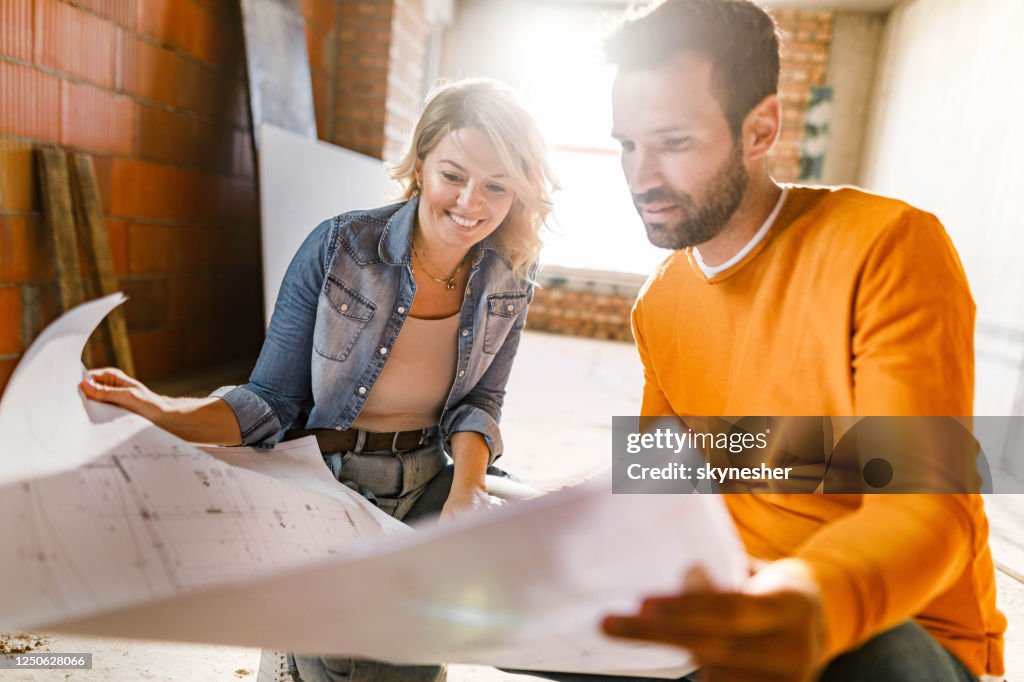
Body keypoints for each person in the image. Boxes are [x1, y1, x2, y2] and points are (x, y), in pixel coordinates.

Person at [564, 1, 1003, 681]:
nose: (641, 177)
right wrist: (532, 525)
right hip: (735, 602)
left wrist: (806, 600)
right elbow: (658, 476)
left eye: (673, 143)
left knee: (862, 656)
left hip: (888, 625)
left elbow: (928, 511)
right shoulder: (659, 302)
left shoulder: (887, 246)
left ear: (760, 128)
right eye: (627, 144)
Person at [81, 77, 558, 682]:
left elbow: (481, 403)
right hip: (331, 485)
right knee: (342, 664)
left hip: (431, 483)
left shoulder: (510, 274)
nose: (471, 203)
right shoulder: (340, 249)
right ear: (420, 165)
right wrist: (162, 409)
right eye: (453, 175)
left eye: (496, 186)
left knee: (418, 653)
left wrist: (467, 491)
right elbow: (270, 401)